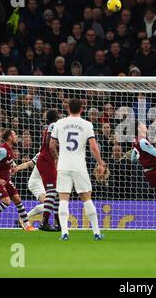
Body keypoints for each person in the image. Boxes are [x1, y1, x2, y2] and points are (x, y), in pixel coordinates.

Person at [49, 98, 105, 241]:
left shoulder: (59, 123)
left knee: (63, 199)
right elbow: (93, 146)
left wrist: (57, 158)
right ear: (82, 109)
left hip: (63, 165)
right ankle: (97, 233)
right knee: (86, 198)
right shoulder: (86, 124)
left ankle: (64, 233)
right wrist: (100, 163)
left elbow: (51, 145)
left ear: (67, 109)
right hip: (79, 166)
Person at [0, 130, 35, 231]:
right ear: (9, 137)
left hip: (6, 179)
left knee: (17, 199)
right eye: (14, 134)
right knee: (6, 201)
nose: (16, 136)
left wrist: (13, 167)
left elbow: (8, 160)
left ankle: (27, 225)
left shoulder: (10, 149)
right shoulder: (2, 150)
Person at [36, 109, 60, 231]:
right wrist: (57, 157)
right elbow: (49, 143)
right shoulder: (53, 125)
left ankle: (58, 222)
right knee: (52, 190)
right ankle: (44, 222)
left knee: (56, 192)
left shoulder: (49, 126)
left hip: (45, 159)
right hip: (46, 159)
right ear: (57, 117)